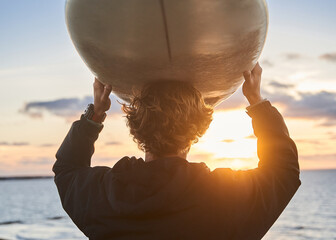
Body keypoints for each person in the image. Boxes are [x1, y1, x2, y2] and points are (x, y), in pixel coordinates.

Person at [53, 63, 301, 240]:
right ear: (196, 131)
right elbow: (283, 173)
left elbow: (66, 169)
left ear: (137, 130)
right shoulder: (223, 199)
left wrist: (95, 115)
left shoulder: (104, 197)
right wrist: (257, 102)